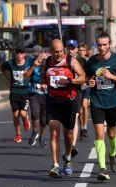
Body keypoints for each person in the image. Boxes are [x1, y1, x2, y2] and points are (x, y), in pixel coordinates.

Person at [85, 31, 116, 181]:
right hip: (97, 101)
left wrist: (111, 76)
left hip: (113, 102)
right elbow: (87, 78)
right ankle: (103, 169)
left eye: (104, 45)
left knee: (111, 134)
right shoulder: (91, 61)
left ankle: (112, 153)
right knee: (99, 134)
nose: (102, 47)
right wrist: (90, 82)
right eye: (99, 45)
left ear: (110, 44)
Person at [40, 39, 85, 179]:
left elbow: (83, 77)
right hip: (53, 101)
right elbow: (42, 77)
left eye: (61, 51)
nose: (59, 54)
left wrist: (69, 81)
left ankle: (68, 157)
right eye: (56, 52)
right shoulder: (46, 62)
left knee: (68, 135)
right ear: (50, 51)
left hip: (69, 102)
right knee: (54, 132)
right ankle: (55, 165)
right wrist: (43, 84)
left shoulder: (71, 61)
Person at [0, 45, 31, 143]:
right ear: (15, 54)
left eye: (21, 53)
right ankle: (18, 134)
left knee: (22, 113)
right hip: (14, 91)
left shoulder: (28, 64)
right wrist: (8, 78)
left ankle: (25, 119)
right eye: (18, 53)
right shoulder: (11, 63)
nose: (19, 55)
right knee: (16, 114)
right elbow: (1, 66)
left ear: (24, 54)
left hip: (25, 92)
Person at [65, 39, 87, 156]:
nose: (70, 50)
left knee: (75, 117)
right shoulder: (62, 60)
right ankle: (68, 142)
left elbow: (87, 74)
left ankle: (73, 145)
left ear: (76, 50)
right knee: (66, 122)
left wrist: (85, 80)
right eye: (68, 48)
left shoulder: (81, 60)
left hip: (76, 91)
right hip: (63, 92)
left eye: (72, 48)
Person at [24, 45, 47, 148]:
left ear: (42, 53)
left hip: (45, 94)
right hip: (33, 92)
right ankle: (34, 131)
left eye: (38, 55)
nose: (36, 57)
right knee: (34, 114)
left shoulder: (47, 61)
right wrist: (33, 66)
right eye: (35, 55)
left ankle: (42, 137)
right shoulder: (30, 61)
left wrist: (45, 84)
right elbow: (25, 76)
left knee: (43, 119)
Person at [77, 43, 90, 141]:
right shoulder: (75, 61)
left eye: (83, 50)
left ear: (86, 51)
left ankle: (85, 127)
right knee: (80, 109)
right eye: (80, 50)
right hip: (78, 86)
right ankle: (81, 128)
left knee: (85, 106)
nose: (81, 52)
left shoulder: (89, 61)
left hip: (86, 86)